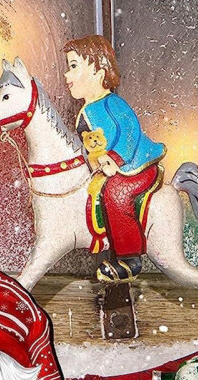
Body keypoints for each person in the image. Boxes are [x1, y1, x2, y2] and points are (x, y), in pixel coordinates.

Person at [64, 35, 165, 282]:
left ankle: (130, 258)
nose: (67, 75)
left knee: (116, 193)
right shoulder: (86, 112)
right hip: (108, 168)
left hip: (136, 166)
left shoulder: (113, 104)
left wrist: (114, 159)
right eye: (68, 67)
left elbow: (128, 132)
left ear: (98, 71)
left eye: (74, 66)